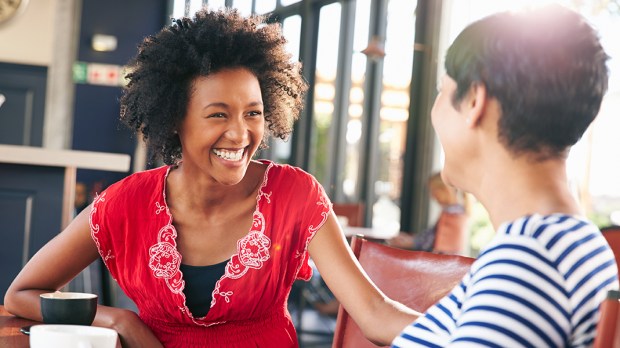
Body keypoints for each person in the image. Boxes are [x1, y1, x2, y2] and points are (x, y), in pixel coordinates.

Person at [4, 8, 417, 348]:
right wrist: (120, 321)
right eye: (218, 114)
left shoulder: (297, 195)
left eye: (252, 113)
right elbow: (20, 294)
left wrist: (467, 334)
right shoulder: (124, 203)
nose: (240, 134)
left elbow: (375, 313)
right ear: (174, 121)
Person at [392, 4, 618, 347]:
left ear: (474, 101)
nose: (434, 111)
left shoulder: (528, 262)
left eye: (442, 89)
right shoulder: (569, 241)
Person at [387, 172, 469, 255]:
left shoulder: (452, 214)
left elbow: (433, 240)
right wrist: (412, 239)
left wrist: (411, 242)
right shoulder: (457, 211)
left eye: (434, 191)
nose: (432, 196)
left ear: (444, 190)